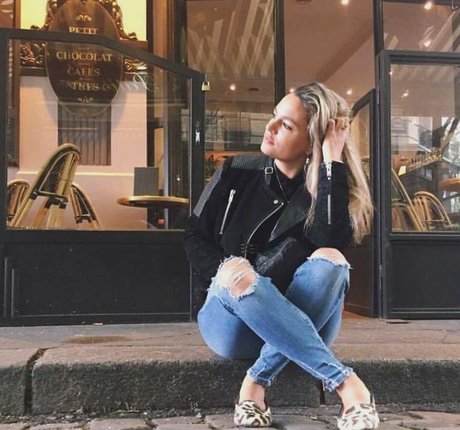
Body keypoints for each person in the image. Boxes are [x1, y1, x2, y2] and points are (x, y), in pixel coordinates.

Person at [183, 82, 378, 430]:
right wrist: (225, 269)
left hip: (299, 318)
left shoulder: (327, 189)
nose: (270, 127)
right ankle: (347, 385)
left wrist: (331, 161)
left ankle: (254, 383)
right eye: (275, 117)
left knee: (331, 259)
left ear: (311, 142)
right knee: (240, 274)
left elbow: (332, 238)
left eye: (285, 125)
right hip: (230, 319)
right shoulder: (234, 170)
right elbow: (193, 235)